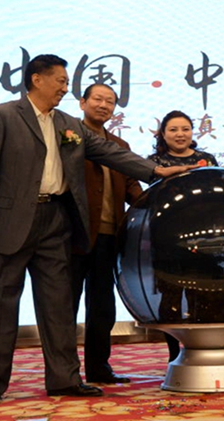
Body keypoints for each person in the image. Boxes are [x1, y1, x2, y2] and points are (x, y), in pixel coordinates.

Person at [0, 54, 191, 406]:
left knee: (58, 306)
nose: (64, 88)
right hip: (8, 224)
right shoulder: (2, 116)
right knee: (0, 304)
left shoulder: (68, 124)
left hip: (56, 221)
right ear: (37, 79)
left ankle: (64, 379)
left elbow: (108, 151)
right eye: (60, 81)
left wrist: (155, 172)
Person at [70, 83, 142, 384]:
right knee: (66, 307)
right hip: (73, 236)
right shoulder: (68, 139)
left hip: (110, 237)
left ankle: (99, 368)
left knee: (102, 306)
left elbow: (131, 186)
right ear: (82, 102)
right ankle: (65, 372)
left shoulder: (119, 145)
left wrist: (151, 203)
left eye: (110, 101)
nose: (103, 105)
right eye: (97, 99)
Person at [147, 110, 219, 363]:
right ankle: (174, 355)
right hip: (168, 238)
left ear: (192, 132)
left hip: (205, 238)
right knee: (171, 295)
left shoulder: (206, 160)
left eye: (185, 129)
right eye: (173, 129)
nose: (180, 134)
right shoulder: (154, 162)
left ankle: (203, 349)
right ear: (163, 134)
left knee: (204, 293)